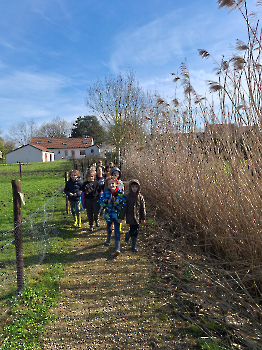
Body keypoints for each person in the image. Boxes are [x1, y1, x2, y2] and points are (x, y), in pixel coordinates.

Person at [99, 177, 126, 256]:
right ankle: (108, 237)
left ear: (116, 184)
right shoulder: (105, 193)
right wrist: (107, 201)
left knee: (117, 231)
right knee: (109, 228)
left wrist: (116, 201)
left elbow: (123, 203)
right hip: (109, 215)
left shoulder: (120, 193)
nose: (111, 185)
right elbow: (101, 202)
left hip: (117, 215)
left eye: (113, 183)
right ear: (107, 185)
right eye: (109, 184)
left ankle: (117, 247)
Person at [118, 179, 146, 252]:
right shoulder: (127, 197)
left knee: (136, 230)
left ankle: (128, 234)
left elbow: (143, 208)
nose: (134, 188)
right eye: (133, 187)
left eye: (136, 187)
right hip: (130, 217)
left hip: (138, 217)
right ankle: (134, 245)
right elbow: (124, 208)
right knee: (134, 230)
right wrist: (121, 217)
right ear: (130, 187)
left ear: (138, 188)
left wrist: (143, 218)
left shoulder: (140, 197)